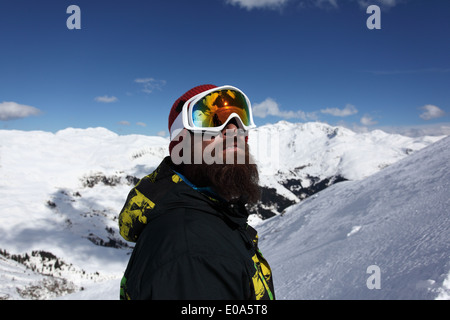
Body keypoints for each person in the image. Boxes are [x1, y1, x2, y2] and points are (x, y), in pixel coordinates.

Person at [118, 84, 275, 300]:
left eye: (240, 118)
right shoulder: (193, 254)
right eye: (213, 120)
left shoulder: (211, 215)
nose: (233, 129)